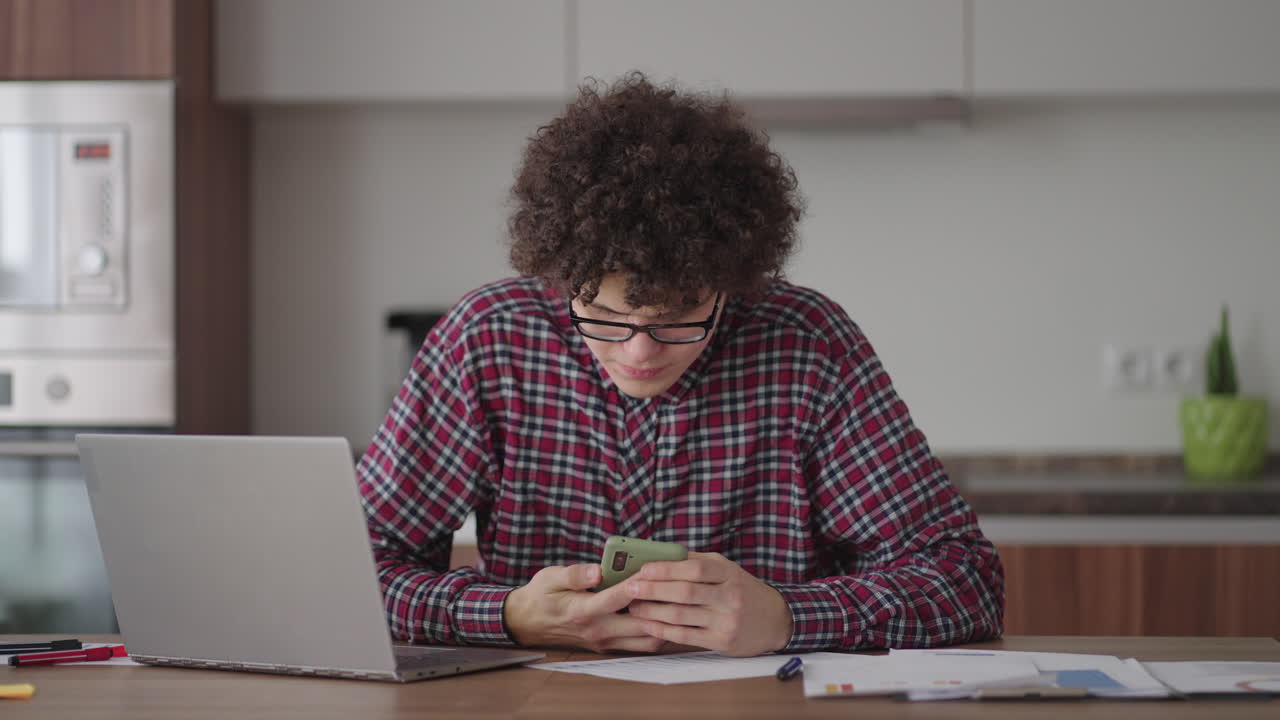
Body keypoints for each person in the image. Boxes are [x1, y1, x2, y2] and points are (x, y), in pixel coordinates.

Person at [357, 73, 1004, 657]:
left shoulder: (807, 343)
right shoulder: (489, 339)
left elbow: (964, 579)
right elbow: (347, 572)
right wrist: (506, 614)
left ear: (732, 281)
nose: (639, 351)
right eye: (603, 314)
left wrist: (787, 617)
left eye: (680, 315)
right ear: (561, 279)